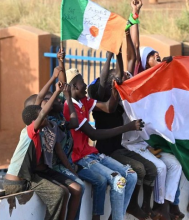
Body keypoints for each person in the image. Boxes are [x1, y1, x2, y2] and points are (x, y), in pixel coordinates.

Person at [64, 68, 143, 220]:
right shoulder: (69, 108)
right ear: (74, 87)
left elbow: (108, 107)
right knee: (119, 180)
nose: (86, 85)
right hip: (79, 158)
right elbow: (94, 134)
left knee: (131, 176)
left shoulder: (83, 101)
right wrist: (128, 127)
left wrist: (115, 92)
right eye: (82, 82)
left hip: (90, 153)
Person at [88, 48, 158, 220]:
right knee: (137, 171)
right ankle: (127, 209)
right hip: (107, 152)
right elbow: (107, 88)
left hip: (119, 148)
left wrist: (117, 54)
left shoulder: (119, 101)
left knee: (151, 169)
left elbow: (130, 61)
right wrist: (110, 57)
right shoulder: (100, 103)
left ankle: (131, 206)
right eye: (118, 82)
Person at [23, 81, 84, 220]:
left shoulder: (53, 124)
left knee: (77, 189)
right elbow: (39, 101)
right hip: (36, 173)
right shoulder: (33, 128)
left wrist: (71, 169)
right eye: (48, 99)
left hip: (48, 170)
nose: (54, 100)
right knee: (62, 192)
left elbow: (59, 149)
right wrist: (54, 79)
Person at [3, 94, 65, 220]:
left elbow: (39, 100)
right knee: (57, 194)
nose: (46, 116)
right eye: (43, 115)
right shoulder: (30, 132)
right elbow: (42, 113)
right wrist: (57, 91)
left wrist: (53, 78)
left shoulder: (39, 134)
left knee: (60, 192)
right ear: (35, 121)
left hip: (28, 179)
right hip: (15, 183)